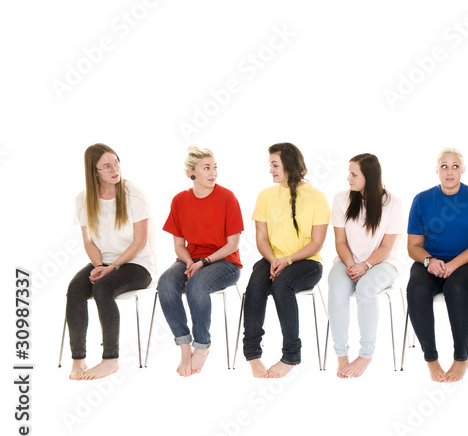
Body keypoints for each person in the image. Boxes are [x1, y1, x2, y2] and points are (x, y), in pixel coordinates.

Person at [66, 144, 154, 380]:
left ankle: (110, 360)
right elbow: (88, 241)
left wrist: (111, 268)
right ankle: (78, 359)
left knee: (103, 287)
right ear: (94, 171)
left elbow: (140, 241)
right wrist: (98, 267)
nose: (115, 169)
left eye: (116, 162)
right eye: (106, 166)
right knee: (75, 289)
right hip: (102, 261)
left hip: (137, 264)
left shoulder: (134, 194)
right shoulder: (83, 199)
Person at [243, 143, 329, 378]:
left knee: (282, 286)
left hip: (306, 262)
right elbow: (261, 237)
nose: (270, 170)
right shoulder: (265, 196)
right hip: (272, 258)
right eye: (270, 164)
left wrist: (287, 261)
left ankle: (291, 356)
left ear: (289, 165)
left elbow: (317, 243)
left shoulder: (317, 197)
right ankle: (252, 354)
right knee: (255, 287)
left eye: (274, 165)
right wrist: (273, 260)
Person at [406, 148, 468, 382]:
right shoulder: (422, 199)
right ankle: (431, 358)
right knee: (416, 289)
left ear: (463, 170)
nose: (449, 171)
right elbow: (413, 246)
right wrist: (429, 261)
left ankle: (461, 357)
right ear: (437, 170)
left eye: (455, 166)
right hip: (431, 262)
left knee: (455, 287)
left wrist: (453, 265)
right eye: (444, 166)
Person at [157, 146, 243, 377]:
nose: (213, 172)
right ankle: (184, 345)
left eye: (215, 167)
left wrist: (203, 263)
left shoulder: (227, 197)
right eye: (207, 168)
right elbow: (178, 245)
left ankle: (202, 346)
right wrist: (189, 263)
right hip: (190, 259)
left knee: (197, 285)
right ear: (190, 173)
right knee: (165, 282)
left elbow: (232, 245)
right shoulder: (179, 200)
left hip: (224, 262)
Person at [327, 153, 405, 378]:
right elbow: (340, 242)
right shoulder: (341, 199)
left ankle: (366, 355)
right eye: (349, 173)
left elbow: (386, 247)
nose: (348, 179)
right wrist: (351, 263)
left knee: (365, 289)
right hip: (347, 260)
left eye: (353, 174)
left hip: (383, 263)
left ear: (369, 177)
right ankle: (341, 355)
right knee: (338, 290)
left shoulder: (394, 204)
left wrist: (366, 265)